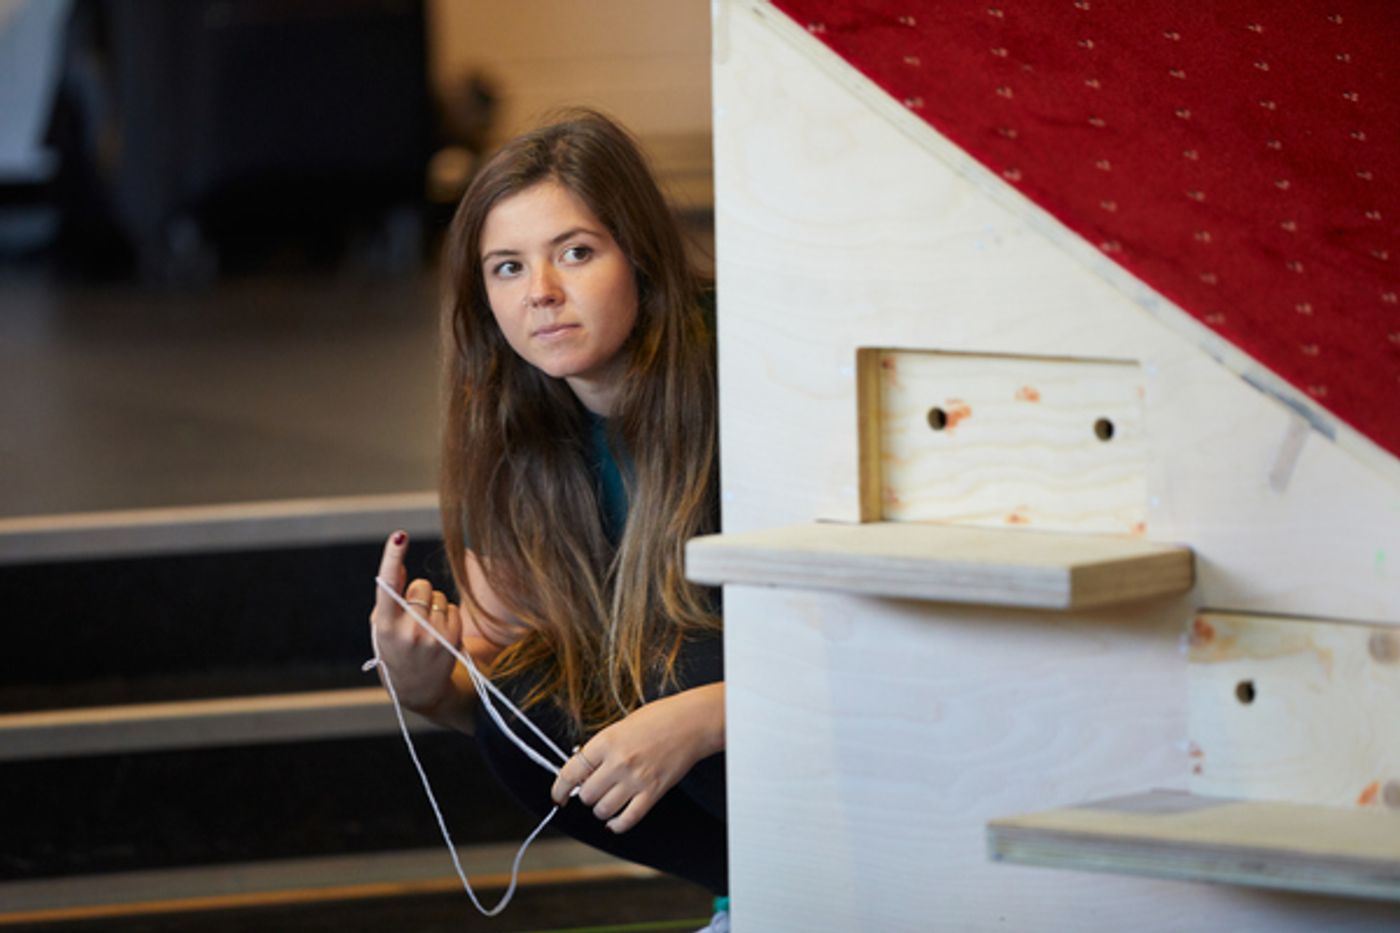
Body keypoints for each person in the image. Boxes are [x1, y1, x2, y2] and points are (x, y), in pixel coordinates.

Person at [368, 109, 728, 922]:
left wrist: (707, 716)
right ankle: (765, 893)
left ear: (637, 253)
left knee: (679, 656)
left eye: (575, 252)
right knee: (518, 706)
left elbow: (877, 644)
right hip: (719, 752)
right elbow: (509, 690)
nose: (541, 294)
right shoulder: (507, 429)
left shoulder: (745, 368)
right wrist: (430, 685)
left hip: (847, 737)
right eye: (505, 267)